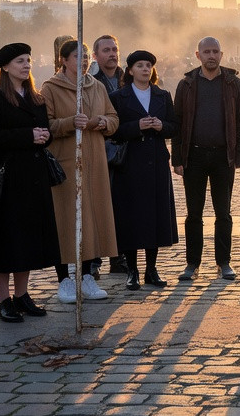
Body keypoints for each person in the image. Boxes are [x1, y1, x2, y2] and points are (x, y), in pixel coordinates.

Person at [0, 43, 62, 324]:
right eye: (20, 61)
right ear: (6, 66)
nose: (26, 65)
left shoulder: (36, 97)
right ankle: (4, 299)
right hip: (6, 180)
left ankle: (22, 295)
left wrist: (41, 136)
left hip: (33, 179)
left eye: (29, 60)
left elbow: (45, 131)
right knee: (4, 241)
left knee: (27, 241)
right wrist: (27, 136)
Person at [44, 40, 119, 302]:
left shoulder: (96, 86)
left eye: (86, 56)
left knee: (92, 217)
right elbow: (47, 125)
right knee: (65, 218)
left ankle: (87, 275)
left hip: (94, 161)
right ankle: (64, 279)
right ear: (64, 60)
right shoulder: (51, 88)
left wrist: (101, 122)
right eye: (78, 56)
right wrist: (68, 123)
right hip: (66, 160)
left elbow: (114, 117)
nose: (84, 60)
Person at [172, 37, 240, 282]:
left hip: (222, 157)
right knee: (193, 213)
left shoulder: (233, 83)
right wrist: (177, 158)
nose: (211, 55)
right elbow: (178, 124)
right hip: (193, 155)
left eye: (215, 51)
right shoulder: (186, 84)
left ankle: (223, 262)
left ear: (222, 54)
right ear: (198, 55)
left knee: (223, 212)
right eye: (207, 51)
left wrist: (239, 154)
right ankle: (192, 264)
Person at [107, 50, 179, 290]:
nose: (145, 69)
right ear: (130, 70)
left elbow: (174, 127)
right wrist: (136, 126)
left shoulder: (162, 95)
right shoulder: (118, 96)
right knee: (130, 217)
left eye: (148, 65)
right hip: (130, 163)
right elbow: (113, 131)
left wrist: (161, 126)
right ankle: (132, 271)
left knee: (154, 216)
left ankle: (152, 269)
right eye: (140, 65)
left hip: (156, 162)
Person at [89, 35, 124, 276]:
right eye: (106, 50)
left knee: (121, 206)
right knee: (96, 205)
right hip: (98, 148)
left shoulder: (127, 77)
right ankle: (93, 259)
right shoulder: (90, 81)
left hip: (125, 148)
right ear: (95, 55)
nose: (112, 54)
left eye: (114, 49)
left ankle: (119, 256)